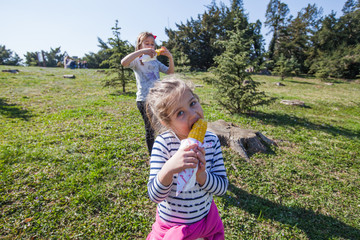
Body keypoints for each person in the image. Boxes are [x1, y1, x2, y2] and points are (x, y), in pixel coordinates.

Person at [145, 77, 228, 240]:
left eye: (192, 103)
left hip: (205, 225)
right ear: (166, 122)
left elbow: (222, 187)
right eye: (180, 113)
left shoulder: (211, 141)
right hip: (173, 229)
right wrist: (169, 168)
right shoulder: (164, 144)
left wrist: (202, 176)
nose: (193, 114)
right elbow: (155, 196)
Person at [121, 32, 174, 155]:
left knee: (164, 124)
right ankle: (152, 155)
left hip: (159, 98)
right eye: (147, 44)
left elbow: (170, 72)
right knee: (150, 128)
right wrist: (141, 52)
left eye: (152, 44)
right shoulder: (137, 61)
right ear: (140, 46)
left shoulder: (154, 61)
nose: (150, 46)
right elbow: (123, 62)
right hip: (144, 100)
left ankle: (165, 151)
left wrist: (170, 58)